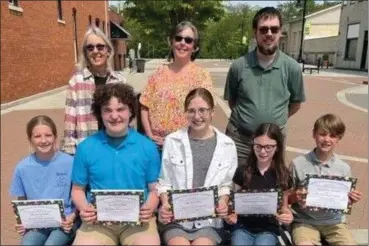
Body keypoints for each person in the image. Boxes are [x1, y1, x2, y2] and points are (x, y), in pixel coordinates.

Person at [71, 83, 161, 245]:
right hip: (98, 223)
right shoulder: (86, 148)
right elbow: (77, 190)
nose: (114, 115)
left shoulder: (147, 147)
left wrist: (149, 207)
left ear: (131, 111)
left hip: (138, 222)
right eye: (107, 110)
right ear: (100, 113)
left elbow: (154, 189)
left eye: (120, 109)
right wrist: (84, 208)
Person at [223, 7, 306, 167]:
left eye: (274, 29)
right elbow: (233, 101)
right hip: (240, 140)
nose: (269, 34)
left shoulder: (292, 68)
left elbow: (295, 104)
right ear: (255, 32)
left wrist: (274, 120)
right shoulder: (239, 66)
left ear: (280, 32)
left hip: (273, 142)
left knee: (269, 187)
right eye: (263, 29)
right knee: (236, 186)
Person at [157, 88, 237, 245]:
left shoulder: (227, 145)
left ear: (212, 112)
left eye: (202, 110)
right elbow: (165, 182)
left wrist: (223, 202)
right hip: (177, 219)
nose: (197, 116)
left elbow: (226, 185)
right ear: (185, 113)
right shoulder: (173, 141)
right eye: (191, 111)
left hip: (209, 222)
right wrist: (166, 204)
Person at [139, 21, 214, 152]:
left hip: (185, 147)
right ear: (171, 42)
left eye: (188, 40)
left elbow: (205, 113)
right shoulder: (158, 73)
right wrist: (150, 136)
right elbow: (145, 106)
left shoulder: (202, 76)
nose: (182, 43)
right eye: (178, 38)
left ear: (195, 47)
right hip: (155, 146)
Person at [289, 114, 363, 245]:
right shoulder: (298, 164)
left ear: (338, 139)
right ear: (314, 134)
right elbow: (286, 197)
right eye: (322, 134)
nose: (326, 139)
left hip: (334, 222)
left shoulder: (343, 168)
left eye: (333, 136)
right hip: (305, 221)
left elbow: (344, 202)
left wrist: (351, 199)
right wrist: (296, 196)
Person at [9, 115, 77, 245]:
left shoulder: (70, 162)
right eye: (37, 136)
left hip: (64, 222)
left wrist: (72, 216)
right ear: (30, 139)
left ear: (55, 137)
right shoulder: (22, 167)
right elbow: (22, 200)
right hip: (37, 223)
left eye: (48, 135)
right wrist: (21, 220)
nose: (44, 140)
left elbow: (79, 193)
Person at [225, 123, 293, 246]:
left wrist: (287, 216)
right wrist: (230, 215)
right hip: (242, 227)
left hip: (268, 229)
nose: (262, 151)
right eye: (258, 146)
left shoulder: (283, 174)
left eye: (268, 147)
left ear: (277, 147)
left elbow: (284, 207)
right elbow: (233, 203)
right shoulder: (242, 171)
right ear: (253, 145)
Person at [62, 26, 126, 155]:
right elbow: (69, 120)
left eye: (100, 47)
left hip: (114, 148)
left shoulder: (119, 81)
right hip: (87, 149)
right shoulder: (76, 81)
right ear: (85, 53)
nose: (95, 51)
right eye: (90, 48)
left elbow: (126, 117)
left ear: (108, 50)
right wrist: (69, 150)